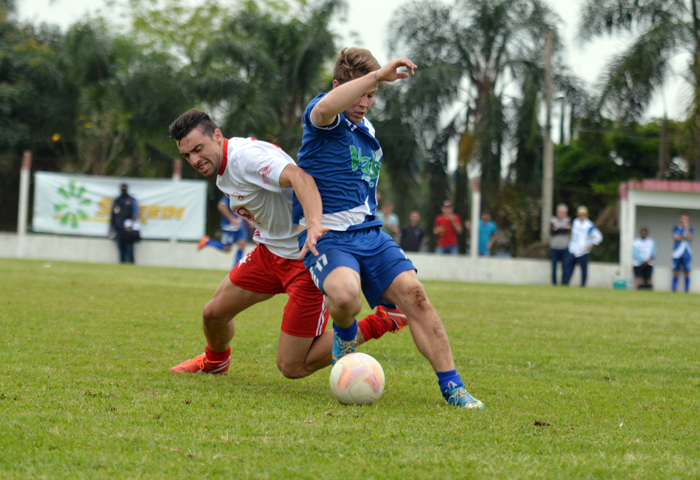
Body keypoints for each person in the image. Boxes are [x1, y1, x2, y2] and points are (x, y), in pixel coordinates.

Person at [292, 47, 483, 409]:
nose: (365, 101)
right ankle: (346, 335)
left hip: (370, 233)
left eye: (371, 96)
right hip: (328, 236)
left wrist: (374, 84)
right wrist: (377, 76)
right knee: (346, 296)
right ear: (338, 86)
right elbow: (326, 107)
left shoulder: (366, 128)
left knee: (416, 295)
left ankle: (453, 386)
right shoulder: (322, 117)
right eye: (360, 92)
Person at [167, 109, 406, 378]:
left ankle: (385, 319)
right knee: (213, 315)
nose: (195, 159)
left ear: (218, 136)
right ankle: (216, 361)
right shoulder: (224, 167)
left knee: (292, 366)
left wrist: (314, 225)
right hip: (268, 255)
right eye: (187, 155)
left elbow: (300, 177)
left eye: (198, 149)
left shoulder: (246, 157)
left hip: (304, 261)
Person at [198, 195, 249, 267]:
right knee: (227, 248)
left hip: (239, 224)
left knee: (242, 243)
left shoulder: (242, 194)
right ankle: (207, 241)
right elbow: (221, 206)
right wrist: (231, 219)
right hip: (229, 226)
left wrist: (249, 219)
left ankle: (235, 268)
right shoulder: (230, 194)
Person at [563, 206, 603, 287]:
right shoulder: (575, 222)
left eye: (583, 214)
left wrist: (590, 246)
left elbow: (598, 237)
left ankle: (583, 285)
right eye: (580, 214)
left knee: (583, 271)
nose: (581, 216)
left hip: (583, 251)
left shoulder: (589, 225)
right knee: (568, 270)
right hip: (573, 250)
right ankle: (565, 284)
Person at [109, 183, 140, 264]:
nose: (123, 191)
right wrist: (112, 228)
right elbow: (113, 215)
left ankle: (131, 264)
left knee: (130, 249)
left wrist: (131, 225)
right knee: (121, 249)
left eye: (125, 189)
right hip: (119, 228)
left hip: (128, 229)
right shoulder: (117, 201)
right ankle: (122, 264)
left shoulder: (131, 200)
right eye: (122, 189)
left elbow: (135, 213)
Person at [549, 203, 571, 285]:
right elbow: (552, 231)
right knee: (553, 267)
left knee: (565, 267)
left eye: (563, 212)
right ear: (557, 212)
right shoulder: (553, 220)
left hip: (564, 247)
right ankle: (554, 283)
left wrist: (557, 229)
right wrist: (562, 229)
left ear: (566, 213)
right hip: (554, 247)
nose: (561, 214)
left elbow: (567, 231)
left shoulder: (568, 220)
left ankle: (564, 283)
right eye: (560, 212)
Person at [672, 212, 694, 293]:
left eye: (686, 219)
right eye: (683, 218)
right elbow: (676, 237)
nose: (685, 220)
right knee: (675, 271)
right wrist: (684, 237)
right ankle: (674, 289)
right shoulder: (676, 228)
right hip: (677, 253)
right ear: (680, 218)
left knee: (687, 271)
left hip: (687, 253)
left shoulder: (690, 228)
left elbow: (690, 237)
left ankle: (686, 290)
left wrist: (686, 228)